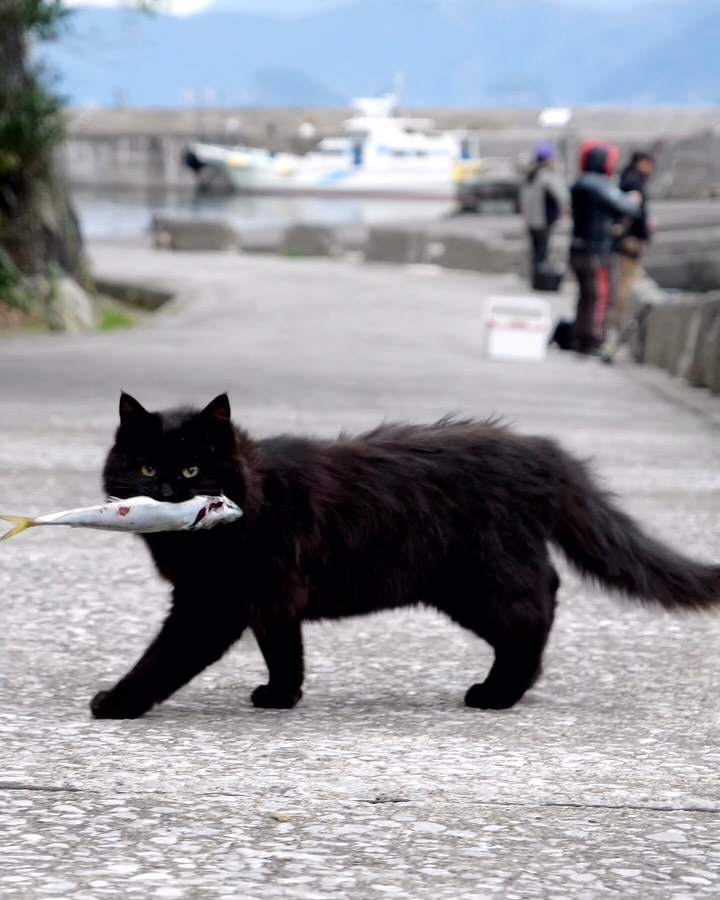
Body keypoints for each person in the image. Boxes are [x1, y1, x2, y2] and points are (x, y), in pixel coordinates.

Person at [569, 139, 642, 356]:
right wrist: (633, 199)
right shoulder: (597, 184)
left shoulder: (581, 182)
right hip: (594, 250)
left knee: (586, 296)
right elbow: (625, 206)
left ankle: (581, 339)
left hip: (579, 248)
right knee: (598, 295)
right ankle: (594, 339)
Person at [607, 151, 656, 357]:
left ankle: (618, 317)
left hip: (623, 237)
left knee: (624, 279)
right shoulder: (634, 182)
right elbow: (637, 212)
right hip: (630, 239)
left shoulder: (626, 178)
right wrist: (644, 234)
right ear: (641, 163)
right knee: (626, 280)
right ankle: (620, 318)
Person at [519, 142, 569, 284]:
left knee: (536, 251)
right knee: (542, 251)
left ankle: (536, 278)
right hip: (543, 219)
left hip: (531, 220)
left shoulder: (530, 173)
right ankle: (541, 280)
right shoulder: (546, 174)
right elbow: (561, 194)